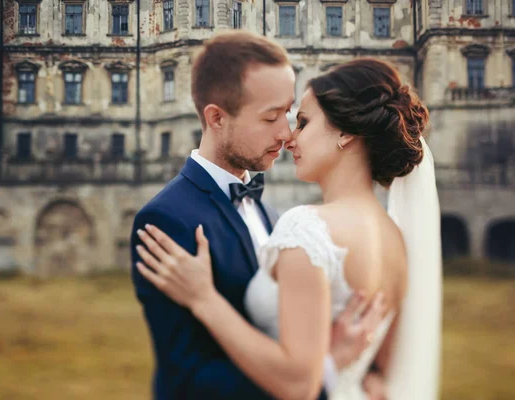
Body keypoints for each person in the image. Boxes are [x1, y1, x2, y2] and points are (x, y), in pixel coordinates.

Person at [134, 55, 443, 399]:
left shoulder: (306, 227)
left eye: (303, 123)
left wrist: (204, 299)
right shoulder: (396, 239)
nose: (289, 138)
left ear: (345, 132)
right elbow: (381, 372)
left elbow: (299, 383)